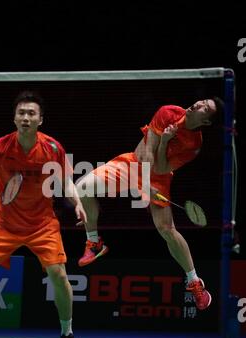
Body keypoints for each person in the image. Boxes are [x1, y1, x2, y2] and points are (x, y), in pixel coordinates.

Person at [0, 91, 87, 338]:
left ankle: (67, 334)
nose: (26, 118)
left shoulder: (52, 147)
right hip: (4, 223)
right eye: (22, 113)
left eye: (31, 114)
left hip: (42, 223)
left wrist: (76, 202)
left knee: (59, 275)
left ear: (40, 120)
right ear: (14, 118)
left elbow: (65, 181)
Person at [76, 97, 224, 311]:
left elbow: (163, 169)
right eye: (201, 101)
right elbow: (147, 151)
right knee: (82, 188)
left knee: (167, 230)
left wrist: (166, 142)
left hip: (158, 179)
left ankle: (194, 281)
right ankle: (94, 242)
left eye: (205, 108)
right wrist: (145, 184)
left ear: (207, 122)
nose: (198, 105)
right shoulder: (168, 112)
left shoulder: (194, 144)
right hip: (133, 165)